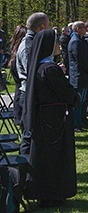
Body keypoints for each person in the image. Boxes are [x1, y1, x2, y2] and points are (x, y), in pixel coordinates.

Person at [22, 29, 79, 208]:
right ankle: (53, 195)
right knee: (54, 158)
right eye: (56, 43)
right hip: (52, 120)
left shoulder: (40, 66)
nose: (59, 46)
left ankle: (46, 194)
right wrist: (75, 97)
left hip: (46, 118)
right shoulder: (49, 69)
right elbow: (67, 92)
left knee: (45, 158)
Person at [17, 12, 51, 153]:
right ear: (41, 27)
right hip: (28, 94)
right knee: (28, 134)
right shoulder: (28, 45)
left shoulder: (35, 42)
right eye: (48, 25)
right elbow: (31, 71)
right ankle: (24, 170)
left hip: (35, 93)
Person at [68, 21, 88, 132]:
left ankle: (80, 121)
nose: (85, 29)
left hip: (84, 75)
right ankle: (75, 123)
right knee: (78, 101)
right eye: (82, 27)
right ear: (77, 29)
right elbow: (81, 60)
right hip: (78, 75)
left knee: (83, 100)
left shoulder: (80, 41)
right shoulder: (76, 41)